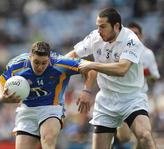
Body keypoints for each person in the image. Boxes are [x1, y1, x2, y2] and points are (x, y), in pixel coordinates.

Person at [65, 8, 157, 149]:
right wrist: (52, 65)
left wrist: (92, 65)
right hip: (106, 101)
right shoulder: (95, 36)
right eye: (97, 26)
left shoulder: (131, 40)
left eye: (102, 26)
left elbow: (122, 69)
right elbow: (72, 55)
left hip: (131, 99)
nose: (99, 30)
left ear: (116, 26)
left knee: (145, 136)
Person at [0, 41, 90, 149]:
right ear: (30, 56)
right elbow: (0, 83)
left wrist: (87, 90)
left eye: (44, 63)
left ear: (49, 58)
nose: (40, 67)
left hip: (51, 108)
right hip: (27, 110)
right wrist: (1, 97)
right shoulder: (17, 65)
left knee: (47, 139)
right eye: (36, 62)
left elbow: (90, 68)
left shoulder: (59, 63)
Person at [112, 22, 160, 149]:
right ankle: (115, 134)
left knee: (144, 134)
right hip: (123, 97)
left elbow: (154, 78)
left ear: (141, 35)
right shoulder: (119, 51)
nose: (133, 36)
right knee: (125, 137)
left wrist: (146, 73)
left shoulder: (147, 54)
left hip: (140, 97)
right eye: (130, 33)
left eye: (136, 33)